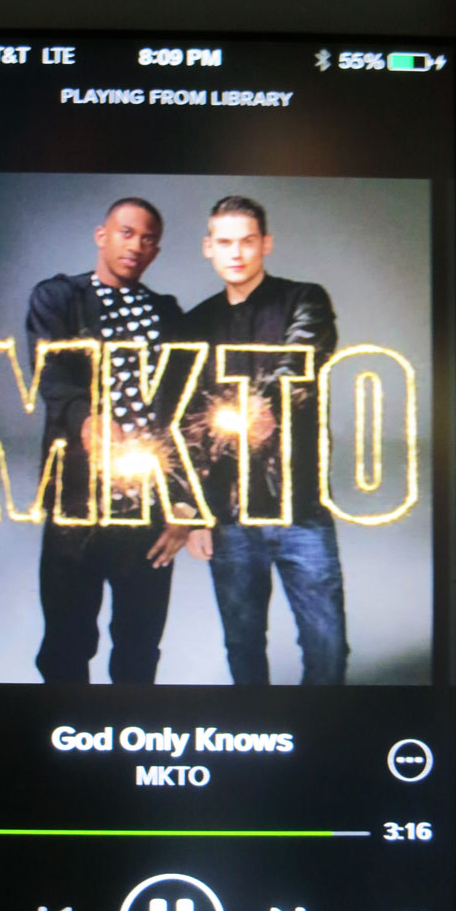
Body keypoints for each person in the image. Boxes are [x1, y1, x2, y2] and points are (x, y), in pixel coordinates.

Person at [185, 195, 349, 684]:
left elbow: (303, 358)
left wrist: (266, 405)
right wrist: (192, 512)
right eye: (225, 242)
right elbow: (185, 420)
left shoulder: (305, 299)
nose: (236, 253)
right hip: (229, 514)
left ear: (266, 244)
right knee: (242, 645)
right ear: (208, 248)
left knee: (327, 644)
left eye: (247, 241)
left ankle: (318, 727)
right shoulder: (194, 324)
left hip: (300, 506)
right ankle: (257, 725)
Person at [26, 198, 189, 683]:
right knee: (66, 643)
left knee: (140, 646)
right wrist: (87, 418)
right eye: (126, 232)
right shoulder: (59, 298)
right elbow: (50, 373)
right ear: (102, 236)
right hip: (77, 502)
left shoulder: (168, 313)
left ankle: (128, 723)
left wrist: (185, 504)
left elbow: (187, 411)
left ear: (156, 250)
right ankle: (66, 724)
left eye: (148, 238)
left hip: (148, 505)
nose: (136, 245)